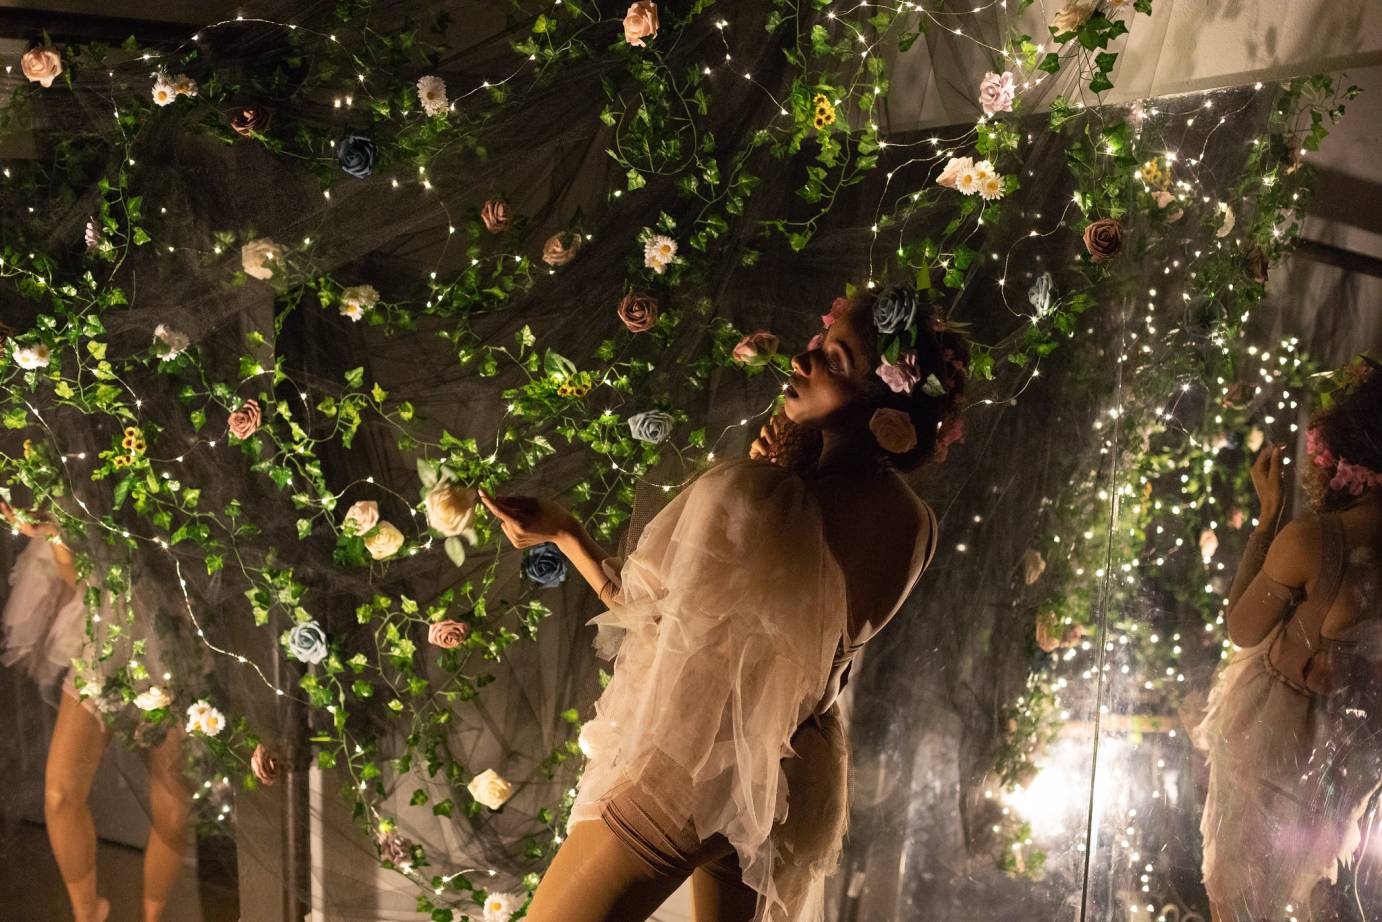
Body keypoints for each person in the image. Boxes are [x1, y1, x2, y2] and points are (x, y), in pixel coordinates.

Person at [478, 284, 966, 922]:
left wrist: (566, 533)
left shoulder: (767, 499)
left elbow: (649, 609)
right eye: (821, 345)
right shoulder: (916, 524)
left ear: (884, 402)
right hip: (794, 775)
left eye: (835, 361)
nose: (803, 361)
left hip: (698, 761)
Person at [1192, 357, 1382, 922]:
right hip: (1350, 742)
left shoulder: (1314, 540)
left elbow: (1242, 626)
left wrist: (1270, 514)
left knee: (1238, 896)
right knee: (1310, 892)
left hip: (1272, 732)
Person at [0, 501, 194, 922]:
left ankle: (151, 919)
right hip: (105, 646)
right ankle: (89, 914)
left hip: (177, 653)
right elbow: (79, 580)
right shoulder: (87, 467)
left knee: (173, 813)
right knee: (59, 795)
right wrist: (54, 533)